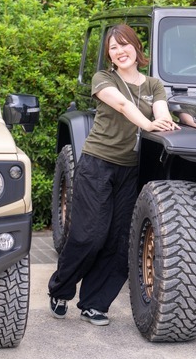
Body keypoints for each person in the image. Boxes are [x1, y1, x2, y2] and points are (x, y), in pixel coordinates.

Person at [48, 24, 178, 326]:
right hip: (97, 164)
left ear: (136, 47)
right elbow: (121, 104)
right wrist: (147, 125)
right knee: (88, 235)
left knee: (120, 242)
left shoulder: (153, 84)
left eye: (124, 45)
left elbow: (162, 111)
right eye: (113, 48)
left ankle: (95, 304)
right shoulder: (104, 79)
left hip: (129, 171)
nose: (119, 52)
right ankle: (61, 289)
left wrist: (164, 120)